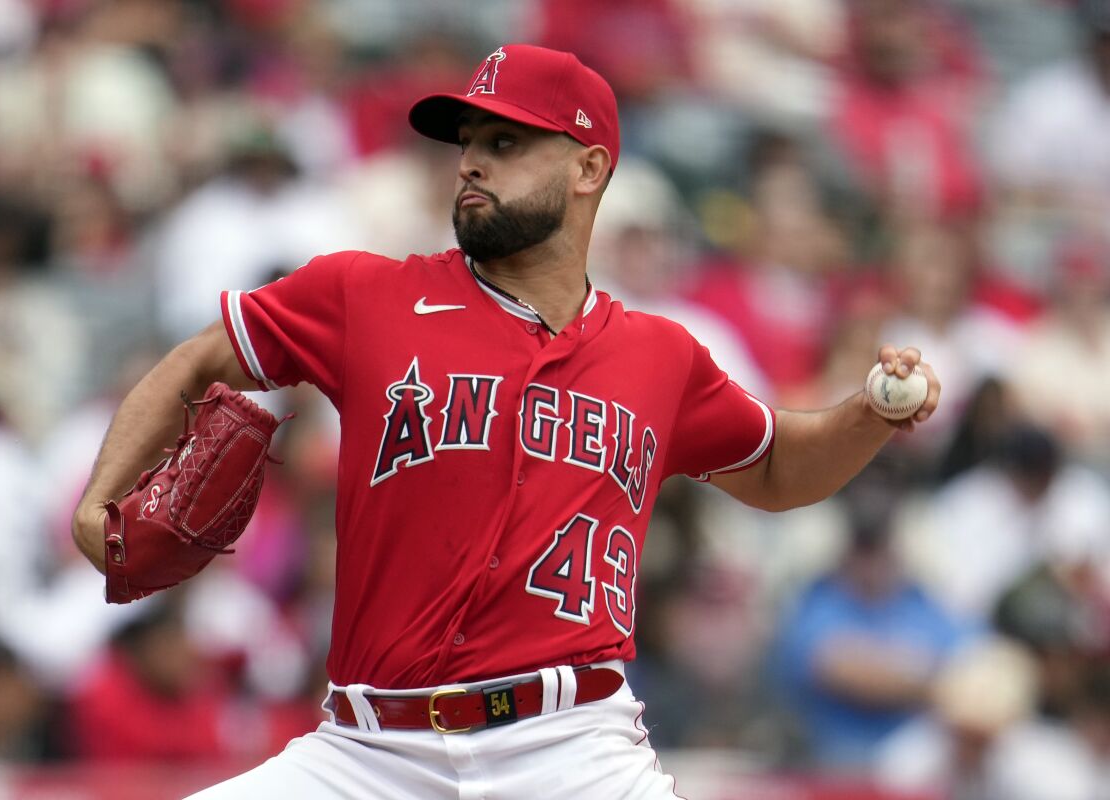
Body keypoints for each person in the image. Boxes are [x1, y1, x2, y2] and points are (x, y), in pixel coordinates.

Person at [70, 44, 940, 799]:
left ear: (589, 168)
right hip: (370, 751)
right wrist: (94, 503)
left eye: (507, 142)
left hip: (572, 748)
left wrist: (866, 415)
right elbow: (198, 358)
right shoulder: (365, 295)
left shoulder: (663, 357)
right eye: (470, 144)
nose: (472, 164)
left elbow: (783, 468)